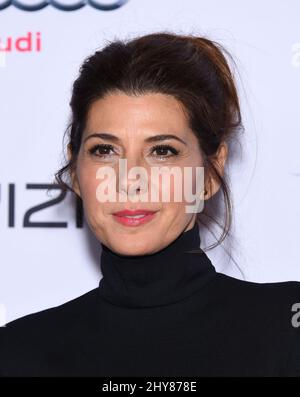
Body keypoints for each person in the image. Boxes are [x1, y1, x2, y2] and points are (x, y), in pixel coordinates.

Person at [1, 32, 300, 377]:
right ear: (75, 170)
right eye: (104, 150)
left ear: (211, 173)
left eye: (162, 151)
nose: (129, 180)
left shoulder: (287, 329)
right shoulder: (17, 351)